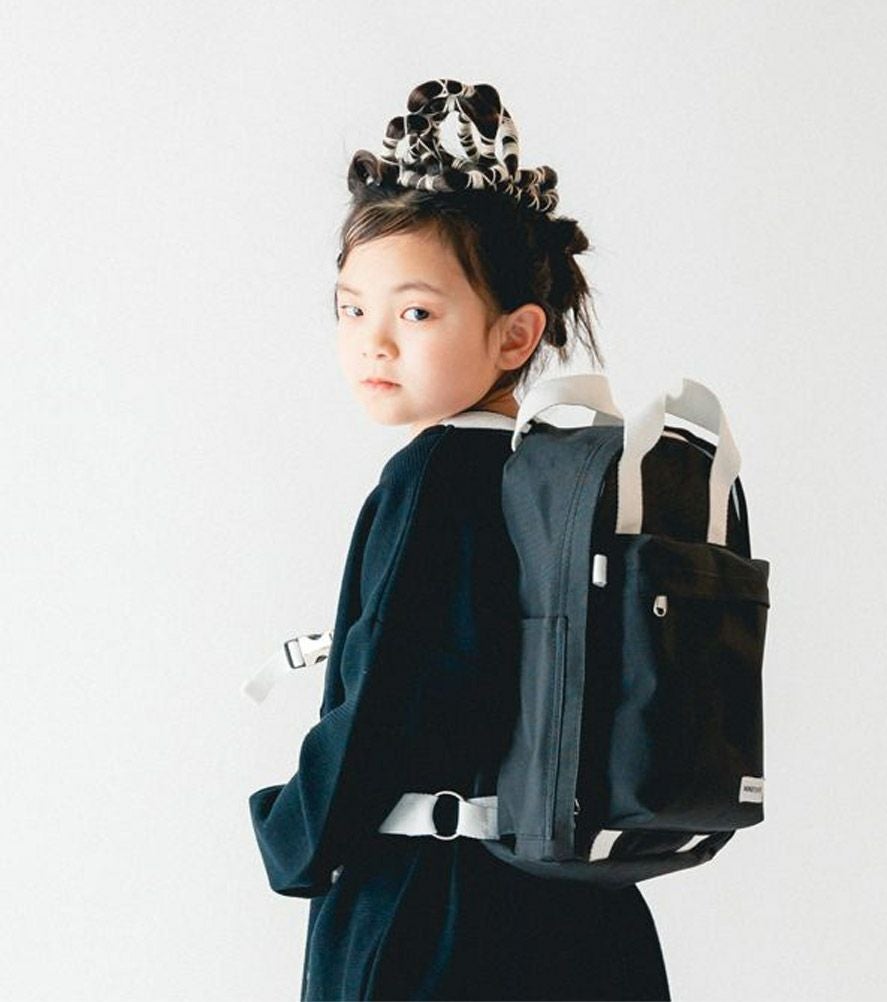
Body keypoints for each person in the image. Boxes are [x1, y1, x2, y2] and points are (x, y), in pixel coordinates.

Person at [248, 78, 672, 1002]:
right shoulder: (556, 472)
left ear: (516, 336)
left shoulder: (437, 475)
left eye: (416, 312)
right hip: (576, 909)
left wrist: (292, 832)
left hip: (436, 920)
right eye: (351, 309)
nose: (374, 342)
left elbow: (393, 697)